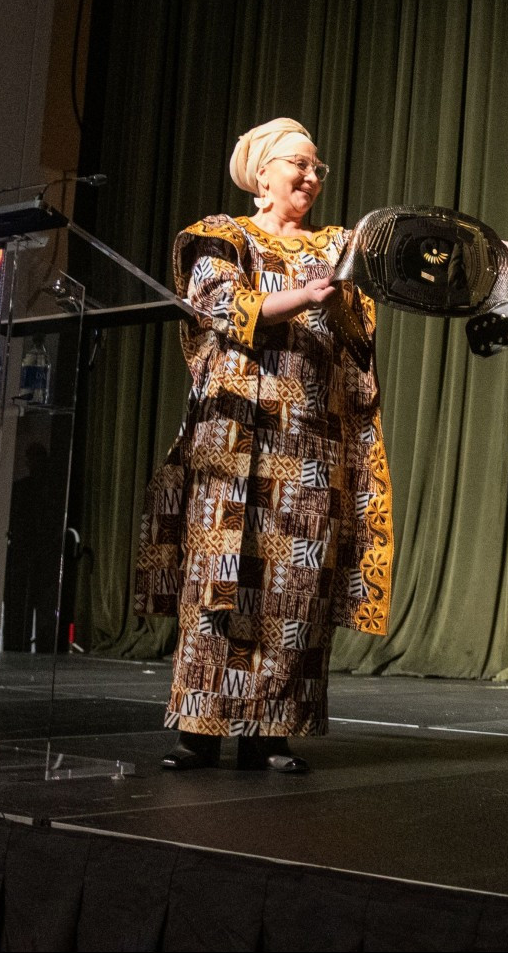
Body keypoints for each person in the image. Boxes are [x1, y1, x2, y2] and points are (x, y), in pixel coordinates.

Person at [133, 118, 392, 774]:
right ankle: (199, 728)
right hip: (234, 432)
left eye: (316, 167)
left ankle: (270, 731)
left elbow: (376, 289)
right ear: (263, 172)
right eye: (297, 163)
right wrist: (300, 296)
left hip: (306, 438)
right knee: (220, 579)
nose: (309, 176)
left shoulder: (336, 246)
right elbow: (219, 303)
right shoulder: (223, 233)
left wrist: (486, 261)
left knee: (293, 586)